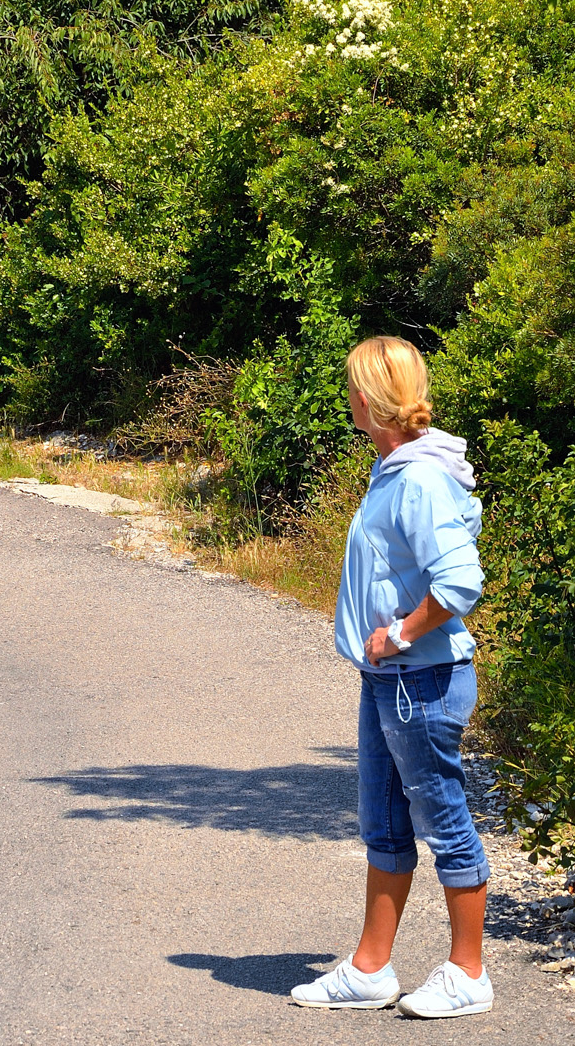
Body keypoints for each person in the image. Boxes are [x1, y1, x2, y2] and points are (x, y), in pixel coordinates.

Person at [292, 336, 491, 1018]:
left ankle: (469, 974)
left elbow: (461, 579)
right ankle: (371, 970)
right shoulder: (396, 466)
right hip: (390, 680)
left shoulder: (418, 478)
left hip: (421, 678)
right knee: (383, 823)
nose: (345, 395)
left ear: (370, 396)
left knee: (445, 822)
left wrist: (403, 630)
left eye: (352, 385)